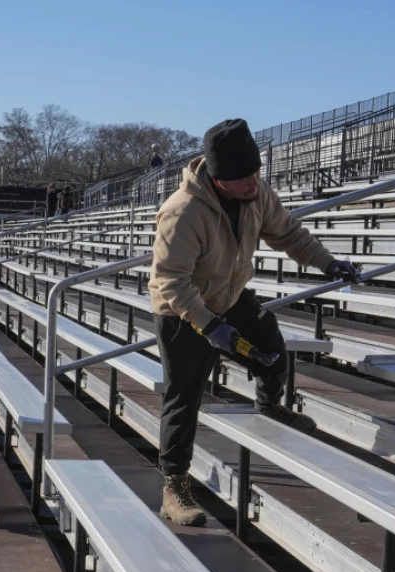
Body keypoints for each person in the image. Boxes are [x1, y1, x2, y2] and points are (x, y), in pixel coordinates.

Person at [149, 118, 359, 527]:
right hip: (181, 312)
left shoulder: (257, 194)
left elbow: (289, 234)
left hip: (230, 297)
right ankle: (174, 485)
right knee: (183, 397)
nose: (254, 183)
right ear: (217, 176)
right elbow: (169, 280)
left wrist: (328, 262)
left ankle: (270, 405)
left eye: (257, 173)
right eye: (243, 177)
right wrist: (209, 327)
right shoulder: (182, 211)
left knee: (272, 352)